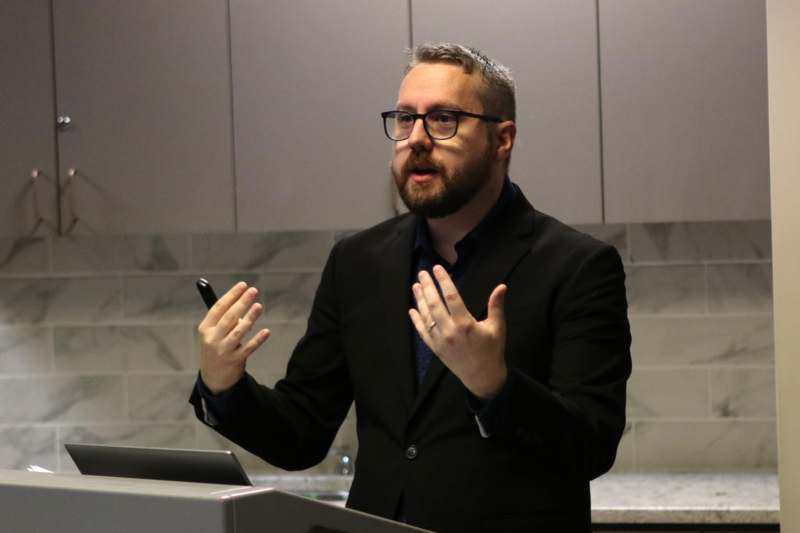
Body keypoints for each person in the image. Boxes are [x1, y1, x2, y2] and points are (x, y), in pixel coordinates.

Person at [190, 42, 631, 533]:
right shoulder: (357, 261)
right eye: (405, 119)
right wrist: (223, 384)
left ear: (502, 139)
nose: (416, 139)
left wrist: (495, 387)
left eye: (443, 119)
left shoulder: (577, 265)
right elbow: (301, 433)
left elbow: (592, 446)